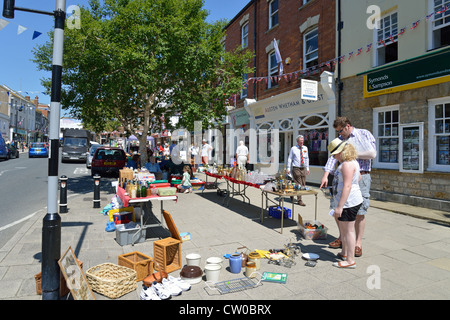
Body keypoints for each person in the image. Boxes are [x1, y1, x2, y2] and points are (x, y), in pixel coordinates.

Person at [320, 117, 376, 257]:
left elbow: (372, 154)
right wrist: (326, 174)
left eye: (340, 130)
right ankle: (343, 238)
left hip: (362, 175)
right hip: (342, 176)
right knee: (337, 209)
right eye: (338, 131)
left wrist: (350, 153)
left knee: (359, 212)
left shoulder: (363, 134)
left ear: (347, 126)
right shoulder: (340, 138)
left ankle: (357, 244)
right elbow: (333, 156)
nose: (340, 134)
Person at [327, 139, 363, 269]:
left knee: (348, 231)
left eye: (335, 154)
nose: (334, 157)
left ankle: (350, 260)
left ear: (342, 152)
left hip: (349, 202)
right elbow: (358, 178)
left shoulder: (347, 164)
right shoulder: (352, 162)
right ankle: (344, 253)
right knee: (344, 229)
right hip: (350, 199)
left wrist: (340, 206)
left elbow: (347, 186)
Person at [287, 135, 310, 206]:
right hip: (296, 168)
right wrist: (288, 168)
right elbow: (290, 158)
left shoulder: (305, 148)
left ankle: (292, 193)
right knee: (299, 184)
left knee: (303, 184)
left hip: (303, 168)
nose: (301, 142)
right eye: (300, 141)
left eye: (302, 141)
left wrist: (308, 168)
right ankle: (299, 200)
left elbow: (306, 158)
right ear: (297, 141)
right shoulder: (293, 148)